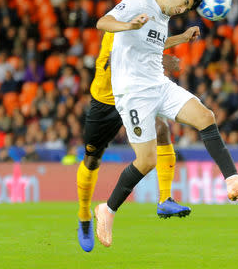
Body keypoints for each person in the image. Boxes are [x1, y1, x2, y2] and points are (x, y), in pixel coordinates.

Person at [93, 0, 238, 248]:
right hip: (133, 93)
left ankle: (232, 180)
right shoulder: (138, 3)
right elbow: (104, 22)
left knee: (205, 116)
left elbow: (154, 43)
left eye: (187, 8)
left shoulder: (163, 18)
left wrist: (182, 38)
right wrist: (128, 25)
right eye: (184, 4)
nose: (183, 10)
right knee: (146, 161)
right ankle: (108, 209)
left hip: (158, 85)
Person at [76, 33, 191, 252]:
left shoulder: (142, 25)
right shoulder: (115, 30)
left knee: (161, 129)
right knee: (92, 159)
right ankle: (83, 215)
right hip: (106, 101)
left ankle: (165, 199)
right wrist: (164, 59)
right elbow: (120, 59)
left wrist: (182, 38)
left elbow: (151, 45)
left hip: (133, 95)